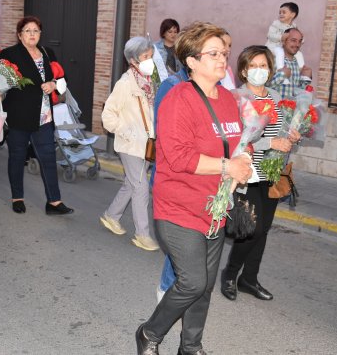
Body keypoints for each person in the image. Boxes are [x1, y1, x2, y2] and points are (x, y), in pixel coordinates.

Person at [136, 22, 253, 355]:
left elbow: (235, 141)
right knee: (193, 281)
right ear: (191, 60)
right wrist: (226, 166)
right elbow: (177, 156)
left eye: (224, 53)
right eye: (213, 53)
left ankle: (191, 347)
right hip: (179, 206)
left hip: (216, 206)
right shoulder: (178, 98)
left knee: (205, 286)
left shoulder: (230, 100)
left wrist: (244, 157)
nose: (222, 59)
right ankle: (149, 333)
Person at [220, 45, 301, 302]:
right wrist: (270, 144)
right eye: (253, 66)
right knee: (250, 227)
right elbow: (236, 138)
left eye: (263, 66)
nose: (258, 70)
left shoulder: (275, 97)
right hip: (248, 169)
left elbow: (279, 130)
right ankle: (230, 274)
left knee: (264, 228)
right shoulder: (235, 97)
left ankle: (249, 278)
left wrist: (291, 135)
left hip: (272, 169)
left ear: (270, 69)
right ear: (243, 69)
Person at [0, 15, 73, 215]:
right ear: (20, 35)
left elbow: (62, 77)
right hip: (19, 114)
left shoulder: (48, 53)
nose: (32, 34)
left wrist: (54, 84)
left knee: (48, 158)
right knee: (17, 156)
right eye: (28, 31)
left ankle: (54, 202)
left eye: (36, 31)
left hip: (44, 116)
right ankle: (17, 197)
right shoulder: (9, 54)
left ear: (40, 34)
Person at [100, 36, 159, 251]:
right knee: (141, 187)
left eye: (151, 56)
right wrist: (127, 132)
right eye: (145, 57)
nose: (150, 61)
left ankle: (111, 215)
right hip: (131, 144)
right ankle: (142, 234)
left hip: (147, 144)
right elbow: (108, 115)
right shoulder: (125, 84)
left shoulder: (149, 82)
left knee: (132, 183)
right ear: (133, 60)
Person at [268, 28, 312, 98]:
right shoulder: (272, 60)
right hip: (274, 108)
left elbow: (300, 93)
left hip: (293, 108)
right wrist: (281, 75)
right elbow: (264, 87)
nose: (297, 44)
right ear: (284, 41)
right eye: (293, 40)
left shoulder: (298, 64)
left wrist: (306, 79)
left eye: (299, 41)